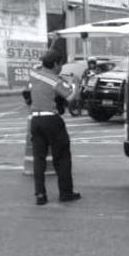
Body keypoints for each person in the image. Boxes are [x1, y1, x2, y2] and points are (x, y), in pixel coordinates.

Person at [25, 49, 82, 205]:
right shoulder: (55, 81)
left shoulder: (34, 73)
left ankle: (40, 195)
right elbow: (70, 97)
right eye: (60, 65)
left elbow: (40, 65)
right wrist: (76, 86)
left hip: (35, 121)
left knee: (39, 158)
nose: (61, 68)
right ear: (55, 64)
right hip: (51, 120)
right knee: (62, 157)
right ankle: (65, 193)